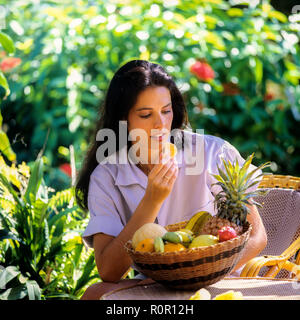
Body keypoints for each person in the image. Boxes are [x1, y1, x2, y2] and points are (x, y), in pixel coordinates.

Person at [75, 60, 267, 300]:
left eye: (166, 111)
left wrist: (202, 275)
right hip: (154, 286)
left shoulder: (211, 153)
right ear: (123, 120)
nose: (160, 125)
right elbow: (109, 271)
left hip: (222, 280)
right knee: (94, 294)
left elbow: (258, 237)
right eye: (146, 115)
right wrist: (151, 201)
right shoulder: (106, 176)